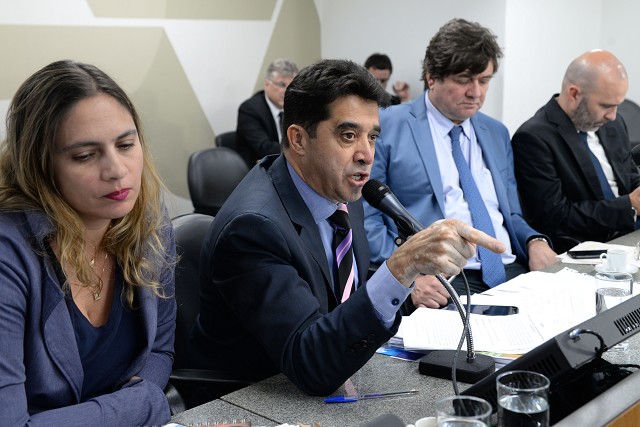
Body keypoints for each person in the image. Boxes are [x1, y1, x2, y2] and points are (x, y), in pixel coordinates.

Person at [188, 59, 505, 396]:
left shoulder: (341, 190)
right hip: (248, 398)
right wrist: (400, 267)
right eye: (349, 135)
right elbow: (311, 364)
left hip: (331, 376)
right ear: (298, 139)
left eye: (372, 137)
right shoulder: (253, 227)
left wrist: (406, 290)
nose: (366, 154)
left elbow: (341, 293)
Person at [0, 60, 177, 425]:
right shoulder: (8, 252)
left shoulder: (148, 221)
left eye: (125, 144)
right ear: (40, 166)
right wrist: (142, 405)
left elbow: (159, 350)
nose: (117, 170)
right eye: (85, 155)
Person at [364, 18, 558, 309]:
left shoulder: (496, 133)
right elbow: (367, 219)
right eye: (464, 80)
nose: (476, 92)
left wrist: (534, 241)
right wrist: (405, 273)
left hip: (512, 270)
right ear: (432, 77)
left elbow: (509, 214)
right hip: (443, 279)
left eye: (484, 80)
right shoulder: (388, 125)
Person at [511, 50, 640, 252]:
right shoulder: (533, 138)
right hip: (585, 247)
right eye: (606, 105)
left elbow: (630, 178)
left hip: (630, 235)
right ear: (574, 94)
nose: (613, 116)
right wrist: (629, 205)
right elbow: (555, 217)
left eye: (617, 105)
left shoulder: (613, 124)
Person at [235, 58, 299, 168]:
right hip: (259, 170)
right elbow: (264, 148)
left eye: (291, 86)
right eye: (282, 85)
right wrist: (299, 149)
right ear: (267, 84)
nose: (287, 91)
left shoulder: (295, 106)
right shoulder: (250, 109)